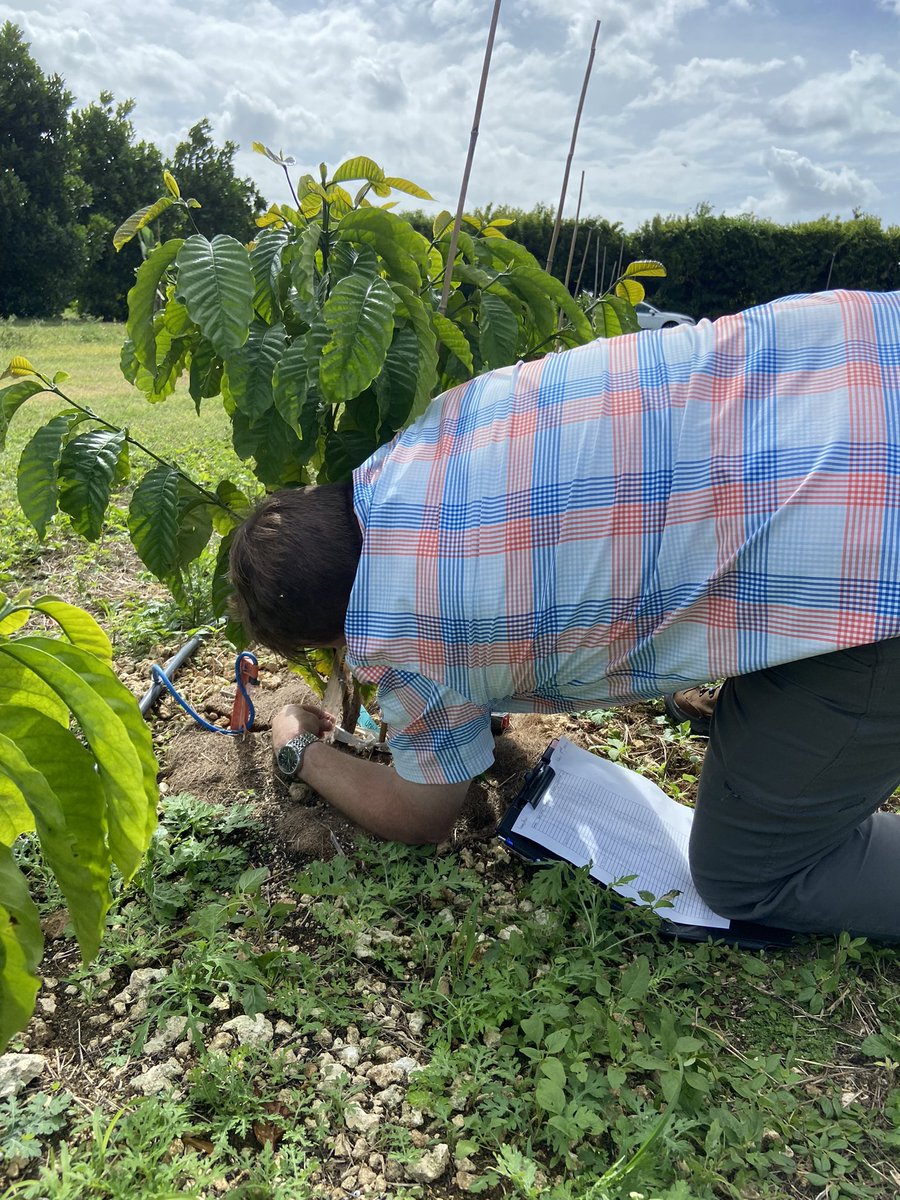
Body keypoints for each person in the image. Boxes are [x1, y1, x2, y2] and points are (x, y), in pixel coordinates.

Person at [230, 289, 900, 941]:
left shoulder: (407, 639)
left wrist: (298, 749)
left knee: (745, 875)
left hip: (872, 567)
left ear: (332, 636)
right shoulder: (441, 429)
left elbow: (421, 817)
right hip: (855, 349)